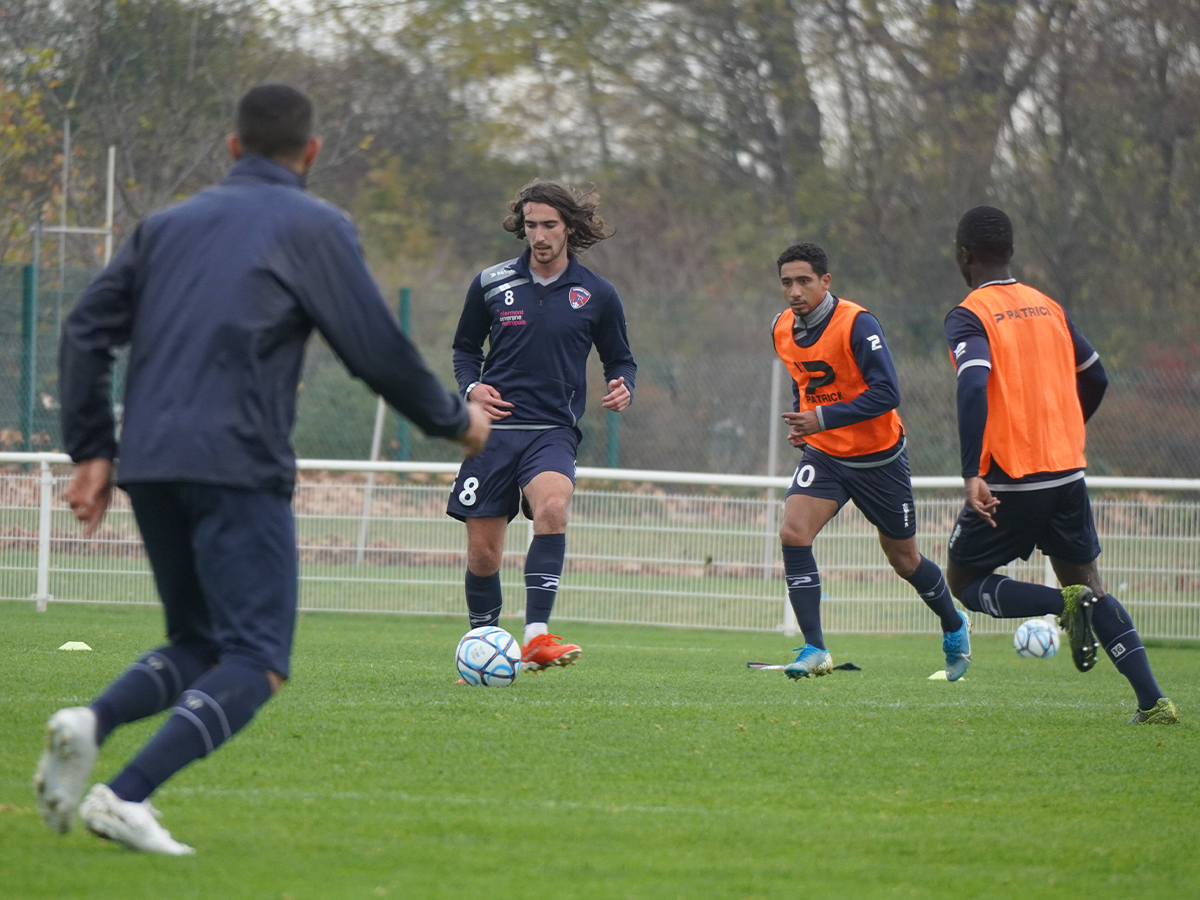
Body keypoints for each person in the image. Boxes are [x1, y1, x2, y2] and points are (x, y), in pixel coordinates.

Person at [34, 83, 490, 855]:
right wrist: (456, 420)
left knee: (198, 643)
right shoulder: (313, 226)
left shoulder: (164, 226)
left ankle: (91, 723)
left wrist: (93, 448)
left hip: (149, 461)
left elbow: (84, 330)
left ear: (232, 147)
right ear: (310, 153)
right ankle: (126, 794)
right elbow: (372, 348)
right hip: (237, 462)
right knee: (258, 660)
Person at [944, 206, 1177, 724]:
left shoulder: (969, 314)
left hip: (1012, 477)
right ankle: (1153, 701)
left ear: (965, 256)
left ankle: (1061, 603)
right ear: (1010, 252)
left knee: (965, 580)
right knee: (1094, 587)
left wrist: (971, 472)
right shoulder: (1048, 307)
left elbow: (973, 382)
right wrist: (1063, 429)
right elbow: (1096, 379)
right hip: (1067, 471)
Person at [448, 181, 636, 671]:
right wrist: (472, 390)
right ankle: (482, 651)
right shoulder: (490, 283)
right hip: (491, 433)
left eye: (549, 225)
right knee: (484, 556)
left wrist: (622, 385)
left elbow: (620, 359)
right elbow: (465, 350)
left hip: (552, 430)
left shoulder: (596, 292)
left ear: (569, 228)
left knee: (553, 506)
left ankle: (535, 637)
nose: (539, 235)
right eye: (531, 225)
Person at [771, 242, 970, 679]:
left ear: (826, 281)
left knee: (904, 561)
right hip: (826, 454)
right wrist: (804, 425)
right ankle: (814, 648)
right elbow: (802, 379)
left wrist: (818, 417)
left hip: (879, 459)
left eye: (804, 280)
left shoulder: (858, 324)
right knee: (793, 531)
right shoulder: (781, 328)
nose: (794, 291)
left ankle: (954, 623)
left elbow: (887, 393)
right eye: (787, 282)